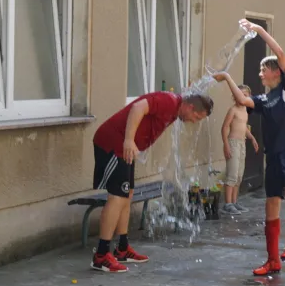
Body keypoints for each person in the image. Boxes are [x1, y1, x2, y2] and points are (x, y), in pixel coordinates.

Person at [213, 19, 285, 276]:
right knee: (271, 205)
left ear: (276, 72)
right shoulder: (263, 99)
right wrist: (227, 78)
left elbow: (280, 53)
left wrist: (260, 30)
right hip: (273, 155)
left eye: (263, 71)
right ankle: (272, 260)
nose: (260, 74)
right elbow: (242, 99)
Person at [91, 92, 214, 272]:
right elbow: (138, 107)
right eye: (197, 116)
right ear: (190, 107)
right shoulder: (168, 101)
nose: (195, 121)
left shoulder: (177, 107)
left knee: (127, 194)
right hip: (114, 144)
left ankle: (122, 248)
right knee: (117, 197)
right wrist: (128, 140)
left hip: (125, 149)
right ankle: (101, 256)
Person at [221, 84, 259, 215]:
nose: (242, 97)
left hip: (242, 144)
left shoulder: (245, 111)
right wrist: (226, 144)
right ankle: (227, 204)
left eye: (245, 95)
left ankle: (234, 202)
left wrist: (252, 138)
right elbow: (225, 127)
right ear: (234, 96)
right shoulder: (233, 110)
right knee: (231, 175)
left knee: (238, 176)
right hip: (233, 144)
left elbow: (244, 129)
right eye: (239, 94)